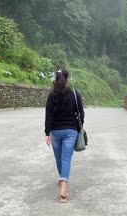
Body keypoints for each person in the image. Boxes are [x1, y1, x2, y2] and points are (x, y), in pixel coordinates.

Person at [45, 68, 84, 203]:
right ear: (67, 78)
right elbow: (81, 113)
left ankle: (62, 179)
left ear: (56, 78)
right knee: (66, 158)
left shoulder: (52, 94)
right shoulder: (75, 93)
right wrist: (79, 128)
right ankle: (63, 189)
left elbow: (48, 114)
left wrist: (47, 132)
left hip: (55, 131)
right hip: (71, 131)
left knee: (59, 158)